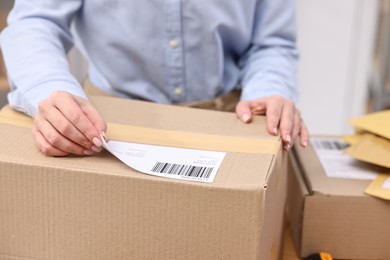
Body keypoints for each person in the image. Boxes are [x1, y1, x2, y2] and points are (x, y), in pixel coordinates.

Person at [0, 0, 309, 157]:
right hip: (107, 125)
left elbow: (272, 43)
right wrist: (48, 89)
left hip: (231, 121)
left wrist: (269, 91)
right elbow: (35, 21)